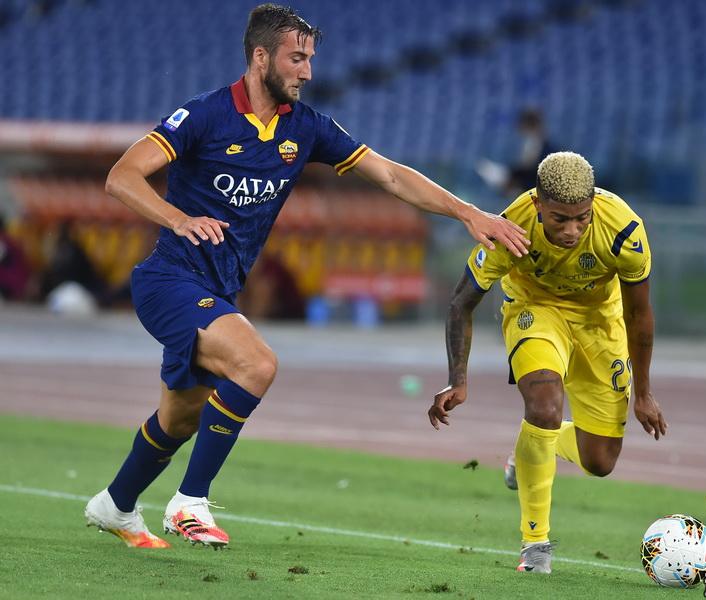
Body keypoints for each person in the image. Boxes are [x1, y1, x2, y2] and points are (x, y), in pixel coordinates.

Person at [84, 3, 529, 550]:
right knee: (256, 364)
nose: (308, 72)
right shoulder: (203, 115)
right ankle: (189, 502)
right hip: (169, 280)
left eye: (311, 59)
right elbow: (121, 176)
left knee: (179, 421)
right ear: (260, 56)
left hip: (217, 290)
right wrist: (179, 219)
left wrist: (468, 212)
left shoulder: (307, 127)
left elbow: (390, 175)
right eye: (297, 58)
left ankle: (115, 505)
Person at [428, 152, 666, 573]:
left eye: (582, 218)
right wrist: (457, 379)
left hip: (600, 323)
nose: (572, 230)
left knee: (600, 462)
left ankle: (531, 448)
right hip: (535, 310)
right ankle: (535, 545)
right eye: (560, 219)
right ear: (538, 203)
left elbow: (638, 314)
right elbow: (461, 302)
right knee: (543, 405)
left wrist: (644, 393)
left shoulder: (624, 229)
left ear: (593, 204)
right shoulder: (511, 227)